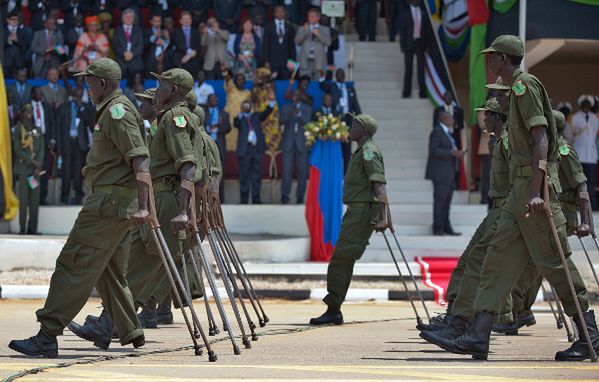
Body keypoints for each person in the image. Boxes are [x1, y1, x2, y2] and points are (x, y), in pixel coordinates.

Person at [437, 35, 597, 362]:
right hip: (519, 190)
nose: (489, 61)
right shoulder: (516, 89)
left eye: (492, 56)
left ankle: (589, 334)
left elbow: (541, 140)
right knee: (497, 257)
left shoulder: (525, 86)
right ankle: (478, 336)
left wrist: (538, 191)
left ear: (504, 59)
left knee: (554, 262)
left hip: (532, 189)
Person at [8, 58, 150, 358]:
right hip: (115, 202)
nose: (86, 88)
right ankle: (131, 330)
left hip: (109, 203)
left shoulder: (117, 111)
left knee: (73, 262)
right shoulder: (112, 109)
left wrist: (145, 207)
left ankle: (47, 335)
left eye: (89, 82)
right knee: (107, 269)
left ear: (102, 83)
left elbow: (139, 158)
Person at [309, 114, 389, 325]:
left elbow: (379, 186)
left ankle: (334, 308)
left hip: (362, 213)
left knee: (341, 259)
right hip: (356, 211)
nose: (350, 127)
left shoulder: (369, 152)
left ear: (363, 130)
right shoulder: (362, 151)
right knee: (342, 259)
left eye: (354, 124)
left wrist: (383, 218)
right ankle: (334, 307)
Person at [234, 94, 275, 204]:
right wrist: (240, 114)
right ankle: (244, 200)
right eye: (245, 105)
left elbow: (266, 113)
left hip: (256, 149)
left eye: (248, 104)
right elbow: (236, 124)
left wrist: (271, 102)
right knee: (244, 176)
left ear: (251, 106)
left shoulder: (256, 116)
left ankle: (256, 199)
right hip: (245, 150)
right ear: (242, 107)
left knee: (257, 176)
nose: (247, 106)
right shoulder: (239, 117)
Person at [56, 87, 94, 205]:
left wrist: (81, 109)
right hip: (67, 142)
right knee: (66, 170)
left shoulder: (85, 107)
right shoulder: (63, 107)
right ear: (72, 95)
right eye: (76, 95)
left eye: (80, 95)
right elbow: (58, 128)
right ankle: (64, 197)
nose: (78, 97)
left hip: (80, 143)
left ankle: (78, 196)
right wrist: (58, 145)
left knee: (78, 171)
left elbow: (91, 125)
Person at [319, 68, 362, 172]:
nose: (341, 76)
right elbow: (322, 85)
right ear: (336, 76)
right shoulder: (332, 87)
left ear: (345, 76)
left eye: (343, 74)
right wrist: (321, 77)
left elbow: (356, 106)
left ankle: (345, 176)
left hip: (348, 120)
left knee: (347, 150)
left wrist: (361, 120)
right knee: (336, 148)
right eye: (339, 74)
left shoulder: (350, 89)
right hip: (335, 120)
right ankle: (335, 173)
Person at [13, 104, 45, 235]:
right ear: (22, 114)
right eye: (27, 111)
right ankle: (22, 229)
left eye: (31, 111)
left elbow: (42, 148)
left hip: (35, 172)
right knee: (23, 201)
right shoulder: (18, 130)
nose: (30, 113)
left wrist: (39, 165)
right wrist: (32, 161)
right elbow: (17, 149)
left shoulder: (37, 130)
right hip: (22, 170)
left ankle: (32, 229)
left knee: (34, 201)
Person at [280, 94, 311, 204]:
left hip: (302, 144)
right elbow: (281, 120)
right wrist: (290, 113)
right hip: (288, 143)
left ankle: (300, 197)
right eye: (293, 96)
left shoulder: (307, 108)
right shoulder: (285, 107)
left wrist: (298, 113)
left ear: (300, 98)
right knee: (286, 171)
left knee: (302, 172)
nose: (294, 98)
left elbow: (308, 122)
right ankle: (284, 197)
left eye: (296, 96)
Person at [570, 94, 599, 211]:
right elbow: (572, 134)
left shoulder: (594, 118)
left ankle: (593, 206)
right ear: (581, 105)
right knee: (579, 182)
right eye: (584, 104)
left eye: (588, 104)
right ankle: (578, 206)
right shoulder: (576, 117)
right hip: (580, 155)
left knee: (591, 182)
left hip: (591, 156)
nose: (586, 106)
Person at [400, 0, 431, 98]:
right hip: (409, 43)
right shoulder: (405, 12)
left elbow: (427, 30)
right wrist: (402, 45)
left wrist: (427, 46)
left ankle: (422, 92)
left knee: (421, 69)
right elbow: (403, 30)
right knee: (408, 68)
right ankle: (406, 92)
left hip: (420, 43)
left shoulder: (423, 12)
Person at [31, 86, 56, 206]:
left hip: (45, 142)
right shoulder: (27, 107)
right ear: (32, 94)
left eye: (41, 93)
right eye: (38, 93)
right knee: (32, 171)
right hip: (31, 143)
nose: (41, 95)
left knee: (44, 171)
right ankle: (32, 197)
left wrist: (52, 139)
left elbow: (52, 123)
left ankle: (42, 198)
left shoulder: (46, 106)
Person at [205, 93, 231, 202]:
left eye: (216, 98)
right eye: (212, 98)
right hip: (206, 147)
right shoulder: (203, 114)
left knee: (220, 174)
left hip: (219, 146)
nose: (215, 100)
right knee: (206, 174)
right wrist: (209, 128)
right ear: (208, 101)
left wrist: (217, 128)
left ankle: (221, 200)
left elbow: (228, 128)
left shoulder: (223, 114)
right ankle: (207, 200)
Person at [251, 67, 281, 158]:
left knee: (274, 133)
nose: (263, 78)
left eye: (265, 77)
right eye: (261, 76)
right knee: (262, 133)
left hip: (272, 112)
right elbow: (253, 98)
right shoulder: (256, 88)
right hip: (261, 113)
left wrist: (268, 82)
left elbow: (272, 94)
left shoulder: (270, 85)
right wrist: (256, 85)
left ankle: (272, 155)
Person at [295, 8, 331, 80]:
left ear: (318, 18)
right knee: (304, 81)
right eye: (309, 16)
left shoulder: (325, 29)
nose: (309, 18)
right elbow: (297, 42)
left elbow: (328, 43)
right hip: (305, 60)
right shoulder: (302, 28)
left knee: (318, 82)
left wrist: (319, 35)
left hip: (319, 61)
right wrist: (305, 33)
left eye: (312, 16)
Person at [262, 5, 296, 80]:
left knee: (285, 84)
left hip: (286, 63)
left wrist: (293, 63)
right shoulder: (268, 26)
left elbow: (292, 47)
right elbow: (265, 45)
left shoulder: (290, 27)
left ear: (285, 13)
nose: (280, 14)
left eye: (282, 12)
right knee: (272, 84)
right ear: (274, 13)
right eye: (278, 11)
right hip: (272, 62)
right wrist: (266, 61)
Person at [112, 9, 144, 82]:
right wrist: (124, 53)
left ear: (134, 19)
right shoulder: (117, 30)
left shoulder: (139, 30)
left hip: (135, 59)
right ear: (122, 18)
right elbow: (115, 45)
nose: (129, 19)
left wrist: (132, 54)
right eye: (127, 17)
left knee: (137, 80)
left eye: (131, 17)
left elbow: (140, 46)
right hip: (121, 59)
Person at [224, 71, 251, 151]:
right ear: (235, 80)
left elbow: (250, 108)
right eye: (238, 79)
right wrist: (227, 74)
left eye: (242, 79)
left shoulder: (248, 93)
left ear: (244, 81)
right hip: (230, 121)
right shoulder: (231, 90)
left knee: (241, 144)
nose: (240, 81)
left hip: (242, 122)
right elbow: (227, 82)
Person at [173, 11, 202, 77]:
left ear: (191, 20)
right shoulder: (176, 31)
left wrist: (190, 55)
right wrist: (189, 52)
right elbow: (178, 44)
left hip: (193, 59)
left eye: (188, 19)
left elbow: (198, 45)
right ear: (180, 21)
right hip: (181, 59)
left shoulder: (195, 31)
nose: (187, 20)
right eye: (184, 19)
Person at [3, 11, 31, 78]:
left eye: (17, 19)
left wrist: (17, 40)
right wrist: (8, 41)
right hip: (5, 62)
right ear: (8, 20)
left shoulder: (23, 31)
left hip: (19, 63)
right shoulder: (2, 31)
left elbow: (26, 44)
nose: (15, 21)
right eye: (13, 19)